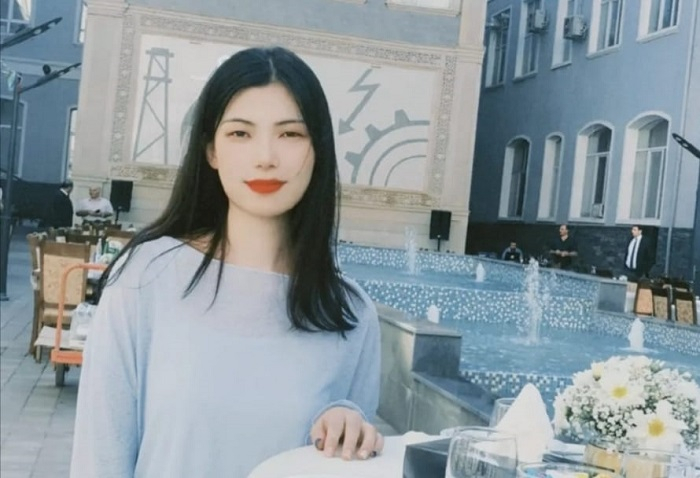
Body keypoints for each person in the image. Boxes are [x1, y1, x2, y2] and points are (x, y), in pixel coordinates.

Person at [70, 47, 383, 478]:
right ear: (211, 150)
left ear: (318, 150)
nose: (266, 156)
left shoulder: (350, 313)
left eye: (290, 134)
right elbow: (98, 458)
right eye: (240, 133)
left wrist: (348, 432)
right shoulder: (146, 276)